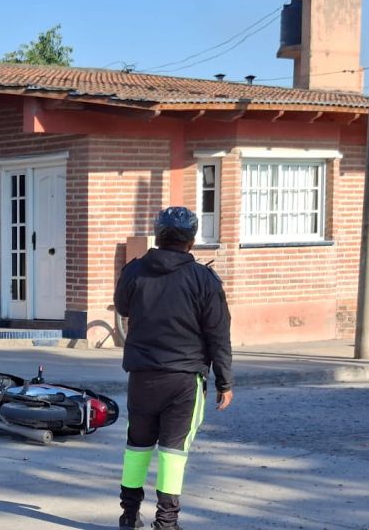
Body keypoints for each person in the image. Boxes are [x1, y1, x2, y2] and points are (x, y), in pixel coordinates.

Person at [113, 206, 234, 530]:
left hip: (142, 375)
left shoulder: (135, 271)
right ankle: (166, 522)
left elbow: (123, 306)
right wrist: (224, 381)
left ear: (158, 234)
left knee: (137, 444)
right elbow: (218, 333)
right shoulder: (203, 279)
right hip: (184, 379)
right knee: (173, 450)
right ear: (191, 241)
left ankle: (128, 515)